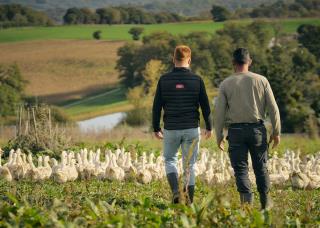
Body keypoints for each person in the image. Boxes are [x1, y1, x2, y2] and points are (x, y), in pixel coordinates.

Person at [214, 48, 281, 210]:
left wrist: (219, 136)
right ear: (249, 62)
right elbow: (273, 108)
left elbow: (219, 113)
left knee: (241, 169)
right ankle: (265, 203)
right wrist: (276, 132)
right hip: (257, 130)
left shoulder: (225, 84)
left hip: (235, 132)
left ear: (233, 63)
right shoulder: (262, 80)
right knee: (261, 167)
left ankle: (247, 206)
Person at [152, 45, 213, 204]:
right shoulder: (197, 80)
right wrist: (209, 126)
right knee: (189, 165)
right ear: (189, 60)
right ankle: (189, 201)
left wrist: (156, 128)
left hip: (171, 128)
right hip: (192, 128)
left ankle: (175, 193)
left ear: (173, 60)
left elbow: (157, 105)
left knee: (170, 160)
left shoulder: (164, 80)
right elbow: (205, 106)